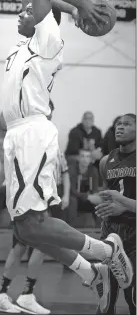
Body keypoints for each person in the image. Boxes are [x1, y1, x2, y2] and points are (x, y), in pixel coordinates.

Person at [0, 0, 133, 313]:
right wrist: (71, 7)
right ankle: (92, 273)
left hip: (32, 135)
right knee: (26, 232)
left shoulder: (48, 39)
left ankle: (106, 252)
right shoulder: (21, 47)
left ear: (43, 21)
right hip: (15, 136)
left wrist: (81, 5)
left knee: (36, 224)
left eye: (29, 11)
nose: (21, 12)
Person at [0, 101, 71, 314]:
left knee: (22, 247)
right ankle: (24, 295)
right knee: (32, 247)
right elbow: (5, 171)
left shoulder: (46, 138)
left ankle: (4, 293)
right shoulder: (25, 136)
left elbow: (62, 171)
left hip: (39, 200)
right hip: (29, 200)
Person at [95, 114, 136, 315]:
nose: (120, 128)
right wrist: (105, 209)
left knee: (133, 299)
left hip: (135, 233)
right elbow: (107, 196)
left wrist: (124, 207)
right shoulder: (106, 161)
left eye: (126, 124)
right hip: (111, 233)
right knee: (106, 301)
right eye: (118, 124)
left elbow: (119, 201)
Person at [68, 149, 100, 227]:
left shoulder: (94, 170)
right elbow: (72, 191)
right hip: (75, 198)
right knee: (72, 201)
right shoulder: (71, 169)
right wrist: (87, 196)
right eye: (82, 156)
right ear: (78, 158)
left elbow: (95, 189)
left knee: (100, 202)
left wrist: (96, 197)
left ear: (90, 159)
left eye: (87, 157)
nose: (85, 159)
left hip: (88, 198)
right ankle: (71, 229)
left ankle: (100, 231)